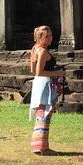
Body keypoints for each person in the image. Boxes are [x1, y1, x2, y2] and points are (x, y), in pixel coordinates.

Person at [28, 25, 64, 155]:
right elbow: (39, 72)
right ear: (40, 37)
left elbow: (32, 70)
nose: (50, 39)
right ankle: (43, 148)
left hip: (39, 84)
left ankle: (38, 145)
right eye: (47, 36)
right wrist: (57, 72)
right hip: (44, 84)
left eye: (51, 35)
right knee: (45, 113)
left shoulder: (34, 49)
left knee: (41, 113)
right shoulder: (42, 51)